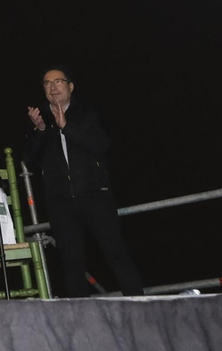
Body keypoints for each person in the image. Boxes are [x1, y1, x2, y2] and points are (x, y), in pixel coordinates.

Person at [25, 67, 144, 297]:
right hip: (60, 202)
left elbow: (102, 145)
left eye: (58, 81)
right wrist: (39, 130)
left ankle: (139, 306)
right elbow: (29, 160)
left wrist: (66, 127)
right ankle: (79, 315)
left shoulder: (88, 111)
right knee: (71, 263)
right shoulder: (40, 118)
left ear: (70, 86)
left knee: (116, 254)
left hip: (95, 195)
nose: (53, 87)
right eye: (47, 83)